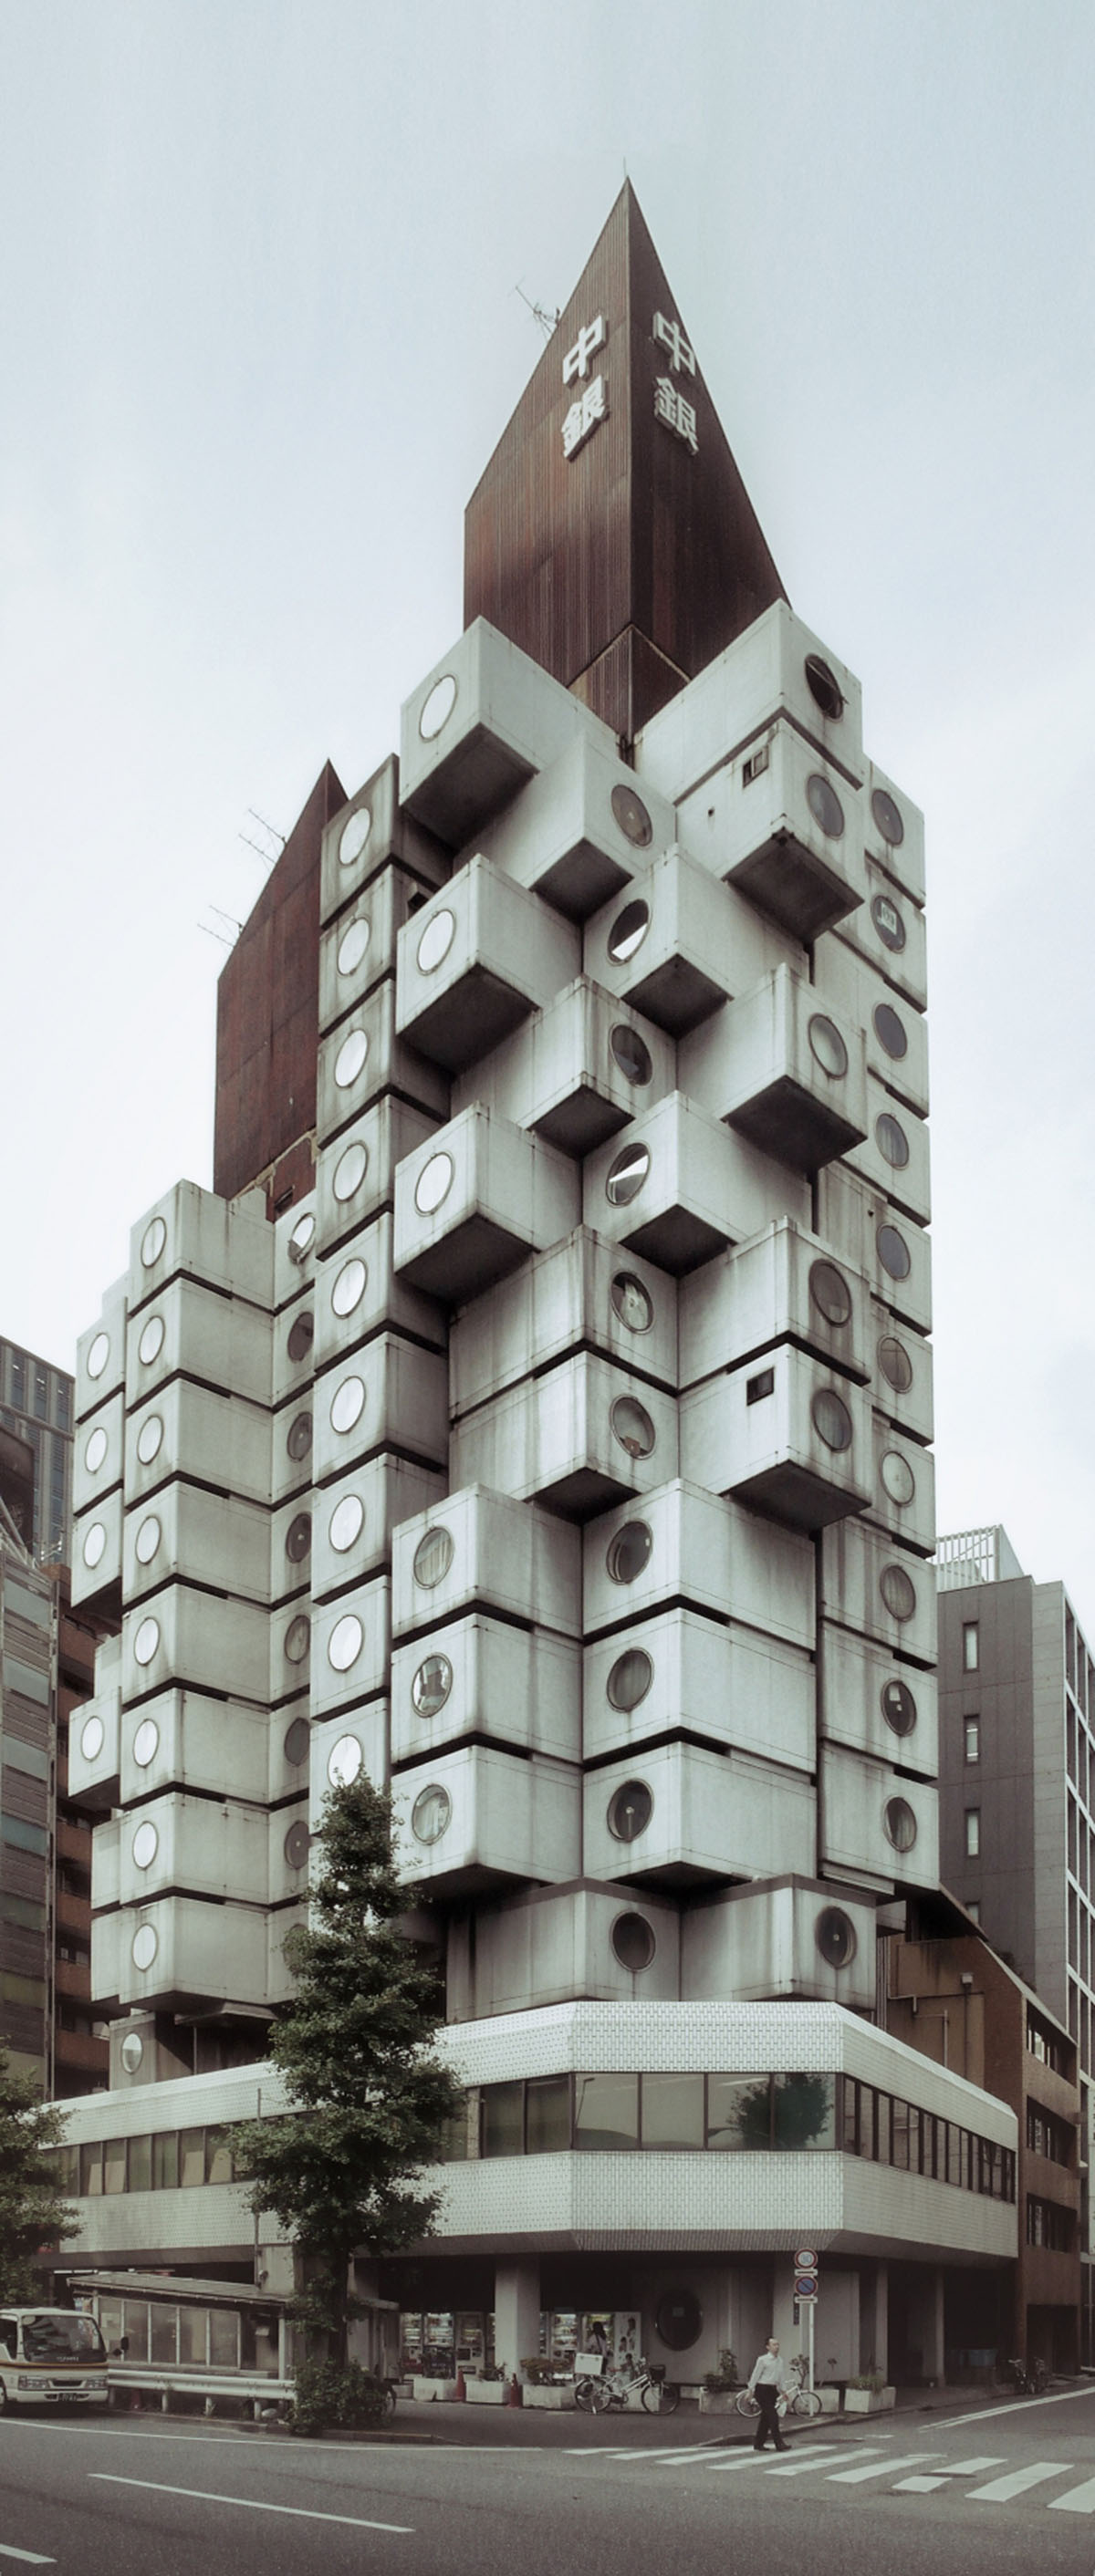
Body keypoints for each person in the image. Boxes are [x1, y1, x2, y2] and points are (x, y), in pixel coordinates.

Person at [746, 2335, 790, 2451]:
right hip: (762, 2390)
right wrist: (750, 2390)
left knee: (765, 2419)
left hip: (772, 2390)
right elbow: (755, 2375)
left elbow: (781, 2377)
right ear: (768, 2347)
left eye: (777, 2344)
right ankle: (779, 2443)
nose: (777, 2347)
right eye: (774, 2345)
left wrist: (784, 2391)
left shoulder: (780, 2360)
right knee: (773, 2416)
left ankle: (758, 2443)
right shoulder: (762, 2360)